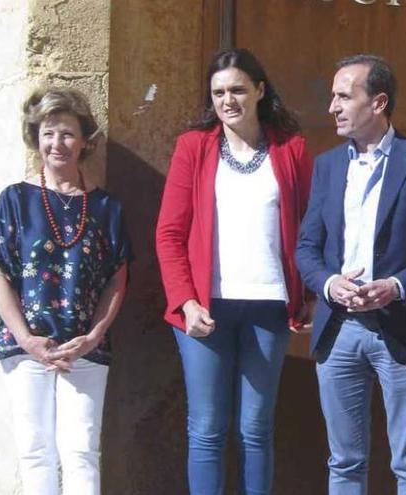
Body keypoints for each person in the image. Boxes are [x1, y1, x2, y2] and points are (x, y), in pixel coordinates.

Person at [296, 54, 406, 495]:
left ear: (379, 102)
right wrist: (330, 284)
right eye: (333, 96)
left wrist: (397, 286)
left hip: (402, 329)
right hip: (339, 329)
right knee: (344, 461)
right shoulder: (328, 166)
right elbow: (307, 248)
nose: (332, 106)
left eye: (344, 96)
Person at [155, 48, 313, 495]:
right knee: (206, 428)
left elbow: (308, 226)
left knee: (255, 429)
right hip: (205, 308)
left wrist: (309, 292)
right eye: (219, 91)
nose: (228, 100)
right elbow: (169, 233)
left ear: (260, 91)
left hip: (269, 307)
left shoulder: (291, 148)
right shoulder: (194, 147)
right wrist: (185, 301)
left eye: (238, 89)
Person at [0, 87, 131, 495]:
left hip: (84, 348)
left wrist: (95, 335)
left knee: (81, 451)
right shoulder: (14, 200)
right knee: (35, 452)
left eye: (67, 133)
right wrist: (27, 339)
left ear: (85, 140)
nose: (57, 144)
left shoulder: (105, 208)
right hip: (26, 345)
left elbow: (117, 277)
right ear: (35, 138)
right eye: (48, 133)